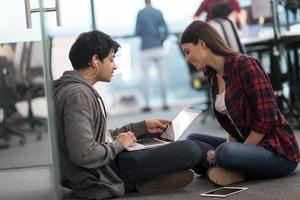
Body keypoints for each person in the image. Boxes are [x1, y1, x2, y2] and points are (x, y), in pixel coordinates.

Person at [53, 30, 204, 200]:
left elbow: (98, 136)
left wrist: (141, 127)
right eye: (111, 59)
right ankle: (139, 181)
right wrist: (119, 144)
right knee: (190, 149)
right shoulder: (78, 95)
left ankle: (156, 177)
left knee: (193, 141)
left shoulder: (72, 89)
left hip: (105, 164)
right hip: (104, 173)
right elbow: (83, 153)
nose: (115, 66)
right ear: (95, 61)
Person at [180, 20, 300, 186]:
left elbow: (265, 119)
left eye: (188, 52)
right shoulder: (213, 76)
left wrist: (235, 152)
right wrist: (237, 151)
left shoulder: (244, 64)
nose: (186, 59)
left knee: (224, 152)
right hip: (247, 146)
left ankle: (227, 167)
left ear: (202, 43)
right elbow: (232, 122)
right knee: (191, 142)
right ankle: (230, 168)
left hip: (276, 151)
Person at [135, 0, 169, 112]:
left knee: (145, 78)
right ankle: (165, 103)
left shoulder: (140, 13)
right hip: (158, 47)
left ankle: (146, 105)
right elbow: (166, 31)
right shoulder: (158, 12)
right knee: (162, 76)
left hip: (145, 48)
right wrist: (160, 40)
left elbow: (137, 31)